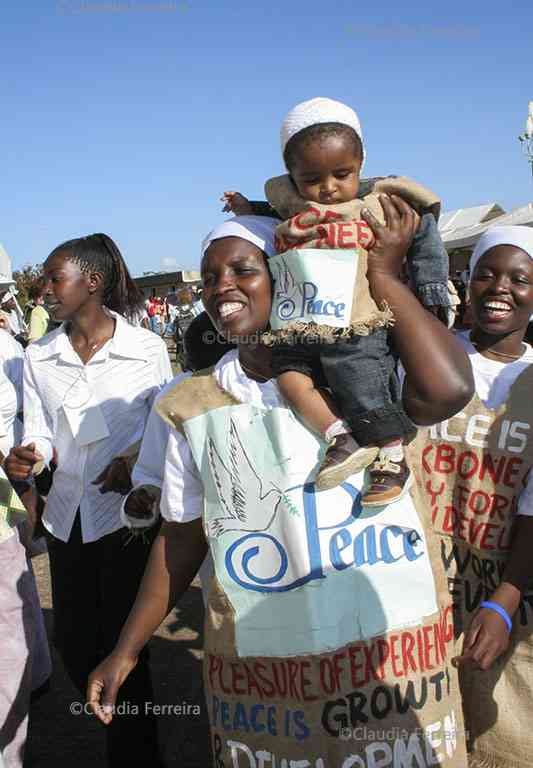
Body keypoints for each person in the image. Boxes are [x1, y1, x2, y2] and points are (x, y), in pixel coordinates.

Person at [87, 210, 473, 765]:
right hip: (268, 677)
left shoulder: (369, 374)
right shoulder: (189, 403)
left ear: (287, 276)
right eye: (211, 275)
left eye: (243, 270)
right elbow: (181, 536)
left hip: (387, 662)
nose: (224, 287)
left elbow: (449, 387)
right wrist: (126, 650)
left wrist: (385, 277)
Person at [222, 97, 451, 505]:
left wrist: (430, 289)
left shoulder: (380, 202)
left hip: (357, 316)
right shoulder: (294, 207)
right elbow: (274, 212)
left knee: (360, 378)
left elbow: (425, 233)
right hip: (303, 318)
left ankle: (392, 454)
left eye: (341, 174)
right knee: (289, 374)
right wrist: (246, 208)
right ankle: (340, 436)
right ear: (292, 178)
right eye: (312, 179)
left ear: (361, 164)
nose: (328, 188)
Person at [4, 233, 172, 767]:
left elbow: (166, 424)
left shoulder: (145, 351)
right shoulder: (39, 355)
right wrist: (28, 456)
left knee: (127, 647)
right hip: (66, 520)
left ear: (91, 283)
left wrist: (136, 459)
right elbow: (41, 431)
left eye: (56, 279)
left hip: (126, 521)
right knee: (75, 645)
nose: (45, 289)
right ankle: (112, 715)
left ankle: (136, 754)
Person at [411, 226, 533, 768]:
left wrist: (507, 596)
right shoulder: (428, 354)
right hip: (422, 589)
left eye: (519, 278)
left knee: (504, 737)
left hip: (510, 589)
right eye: (486, 272)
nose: (499, 287)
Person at [0, 327, 51, 767]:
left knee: (10, 647)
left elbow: (18, 429)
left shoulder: (6, 350)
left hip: (3, 507)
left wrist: (21, 483)